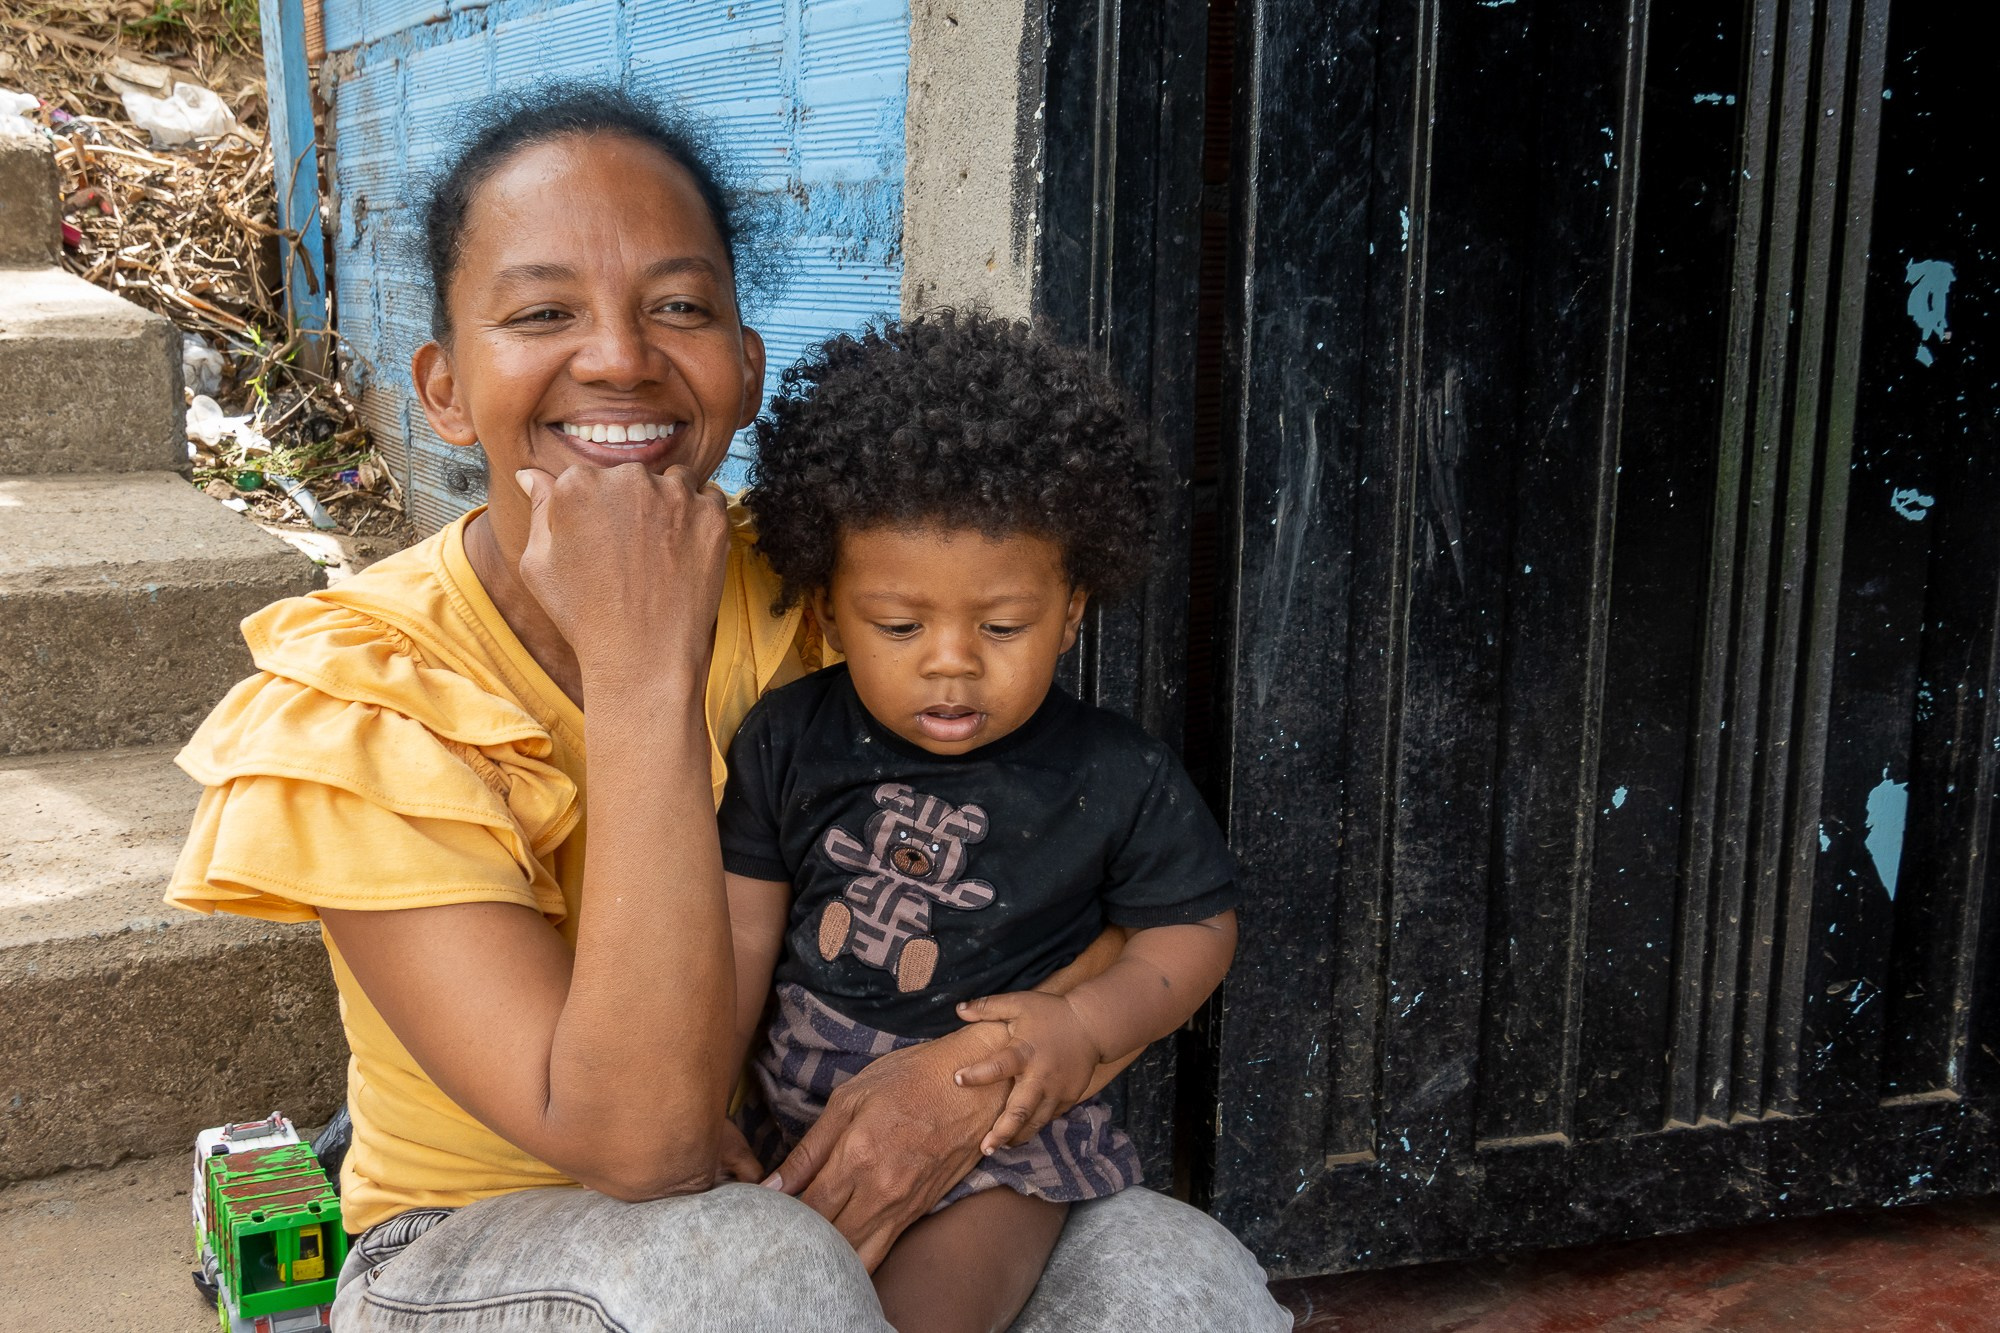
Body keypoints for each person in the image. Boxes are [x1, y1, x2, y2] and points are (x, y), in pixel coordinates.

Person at [166, 81, 1292, 1331]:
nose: (617, 357)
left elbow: (1055, 876)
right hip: (477, 1237)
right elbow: (642, 1147)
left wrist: (966, 1081)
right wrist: (641, 664)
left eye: (679, 308)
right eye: (543, 311)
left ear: (744, 369)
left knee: (1175, 1282)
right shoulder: (361, 695)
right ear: (440, 385)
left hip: (821, 1175)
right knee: (751, 1274)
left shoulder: (855, 594)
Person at [722, 313, 1240, 1332]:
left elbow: (1195, 929)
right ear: (826, 610)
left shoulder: (1114, 772)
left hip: (1004, 1145)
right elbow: (740, 928)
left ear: (1073, 609)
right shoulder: (788, 737)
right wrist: (702, 1098)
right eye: (900, 626)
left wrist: (1086, 1023)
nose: (951, 660)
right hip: (785, 1121)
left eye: (1001, 626)